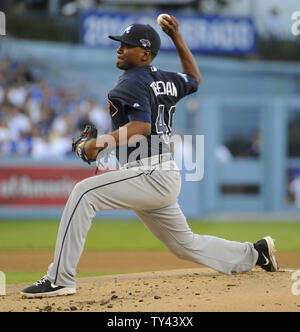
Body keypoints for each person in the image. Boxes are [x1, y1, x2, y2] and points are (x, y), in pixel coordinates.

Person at [21, 16, 278, 298]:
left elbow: (141, 127)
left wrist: (97, 144)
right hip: (160, 173)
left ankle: (60, 278)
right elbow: (194, 79)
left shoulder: (128, 83)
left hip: (149, 172)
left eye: (127, 46)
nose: (120, 49)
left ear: (145, 54)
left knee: (83, 193)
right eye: (120, 44)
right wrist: (177, 38)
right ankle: (255, 254)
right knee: (184, 244)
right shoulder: (164, 78)